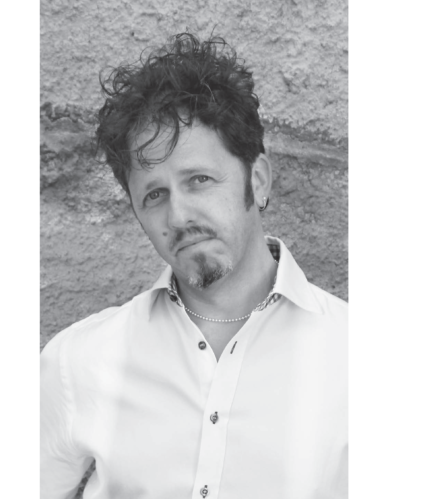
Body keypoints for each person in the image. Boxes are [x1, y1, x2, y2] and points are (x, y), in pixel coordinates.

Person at [39, 33, 349, 499]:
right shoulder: (78, 362)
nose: (178, 216)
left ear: (258, 180)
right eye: (154, 195)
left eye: (199, 179)